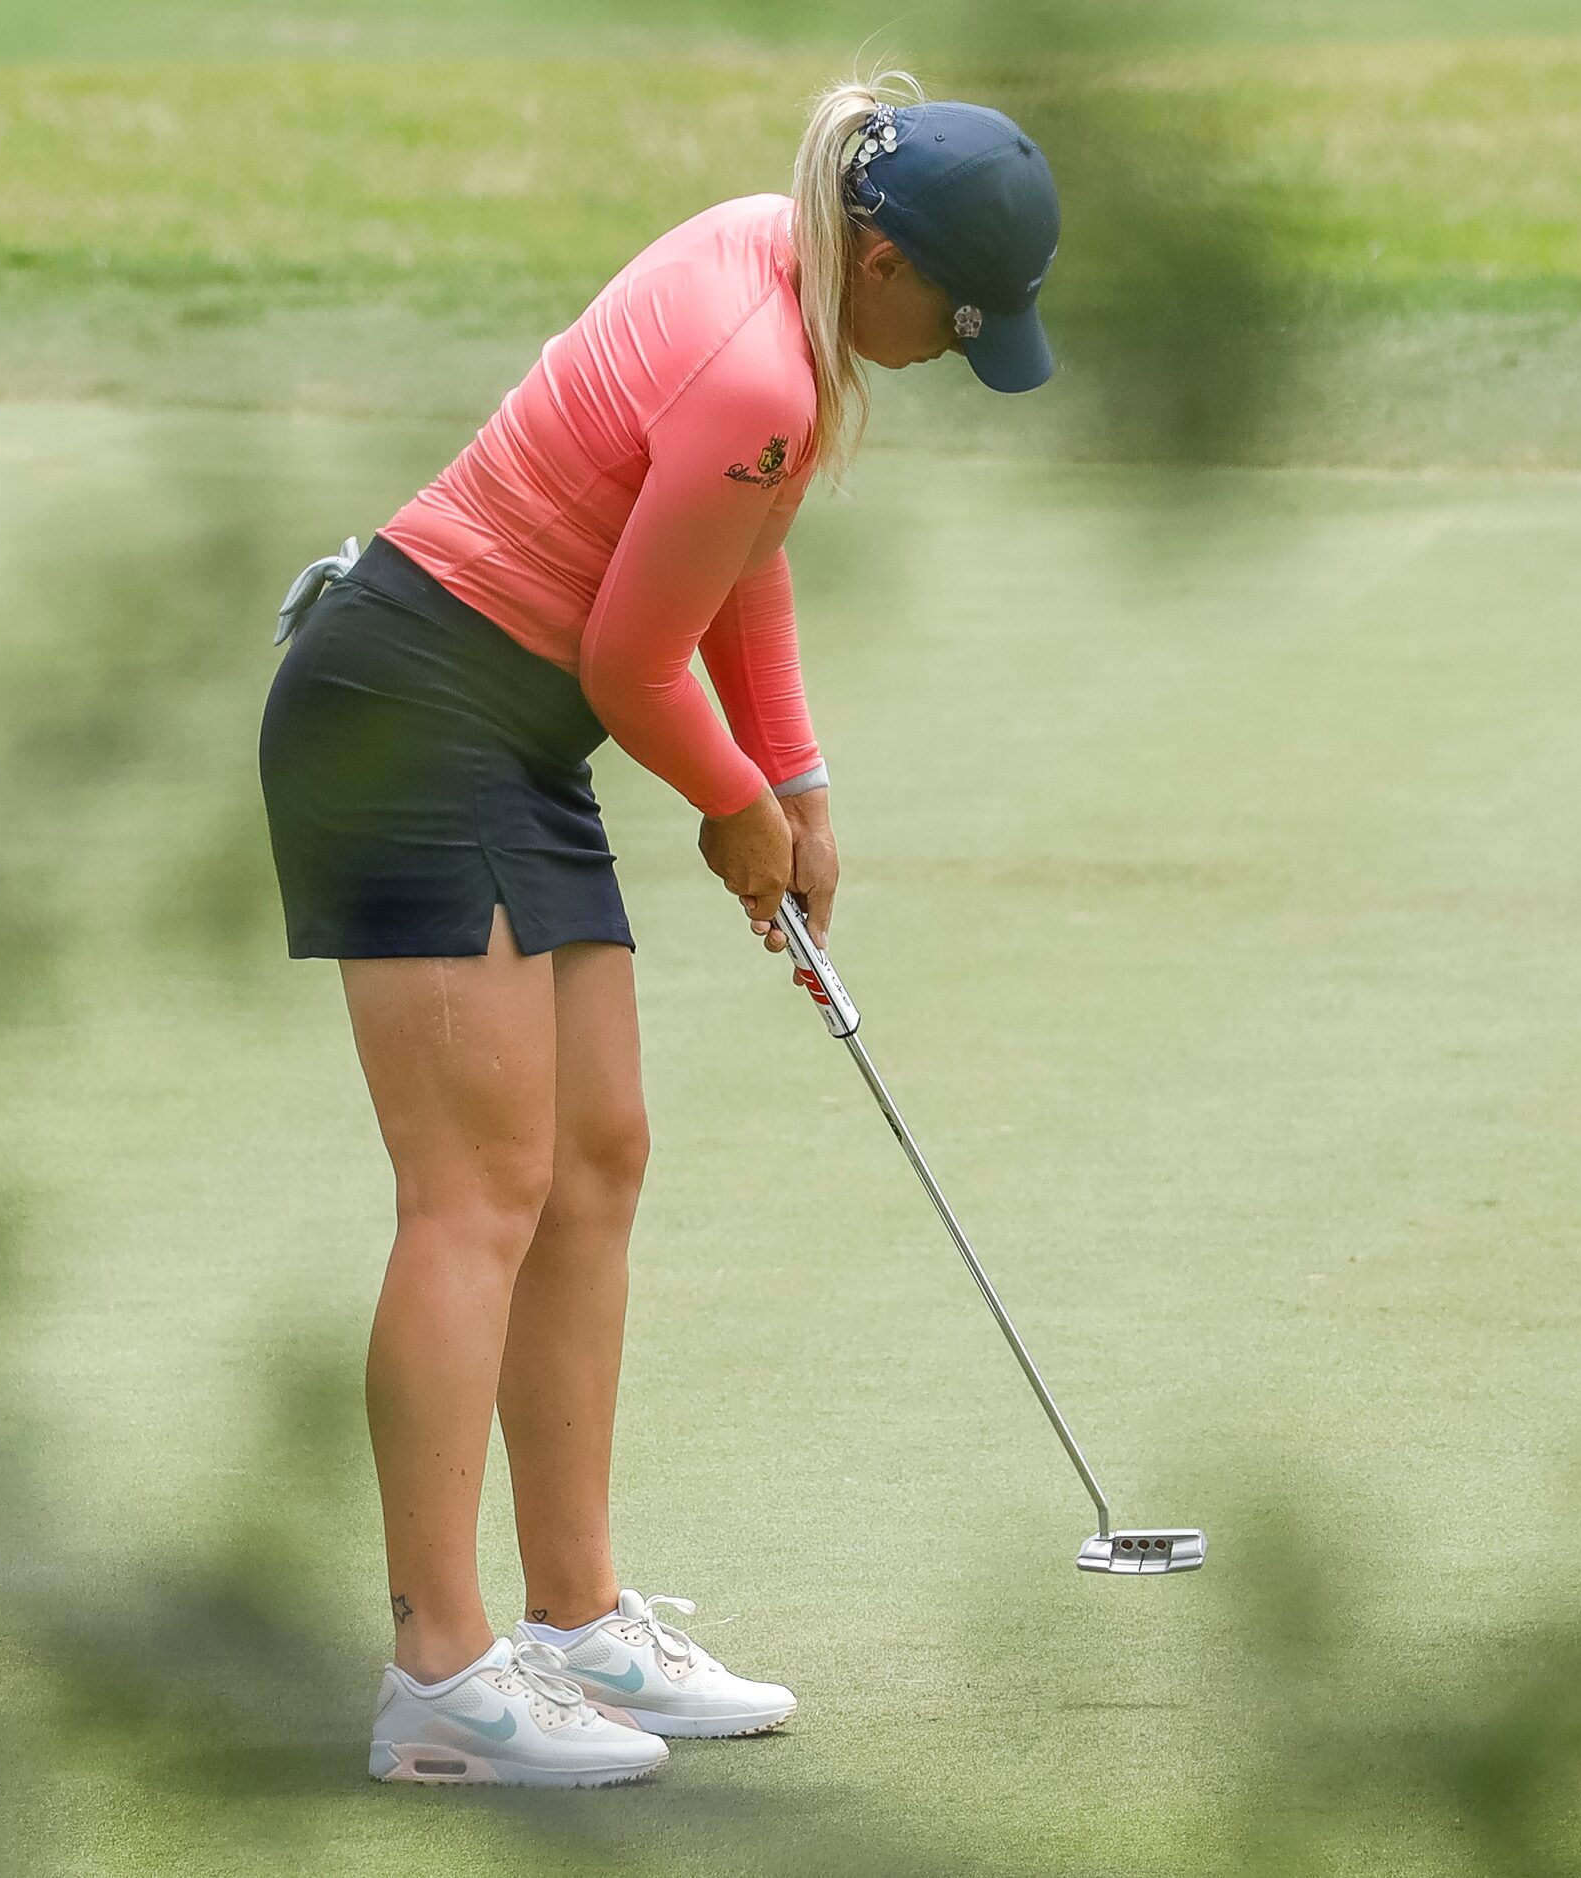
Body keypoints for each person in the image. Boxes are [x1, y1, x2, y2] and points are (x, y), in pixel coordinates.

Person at [258, 74, 1062, 1788]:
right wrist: (739, 810)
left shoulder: (771, 279)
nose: (944, 355)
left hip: (505, 727)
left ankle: (574, 1619)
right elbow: (635, 664)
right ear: (877, 252)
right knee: (473, 1190)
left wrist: (797, 777)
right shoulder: (761, 364)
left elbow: (732, 556)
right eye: (952, 318)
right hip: (408, 712)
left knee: (597, 1154)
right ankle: (440, 1676)